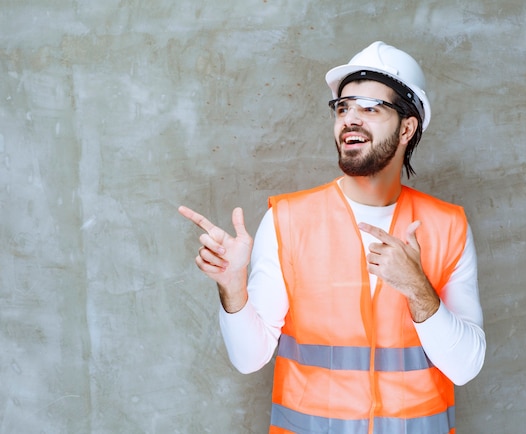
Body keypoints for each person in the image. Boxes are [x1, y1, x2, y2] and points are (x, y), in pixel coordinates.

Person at [179, 41, 486, 434]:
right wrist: (233, 289)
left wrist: (418, 289)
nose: (349, 119)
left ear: (407, 128)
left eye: (370, 109)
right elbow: (249, 359)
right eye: (343, 108)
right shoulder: (287, 220)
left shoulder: (448, 226)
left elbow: (466, 367)